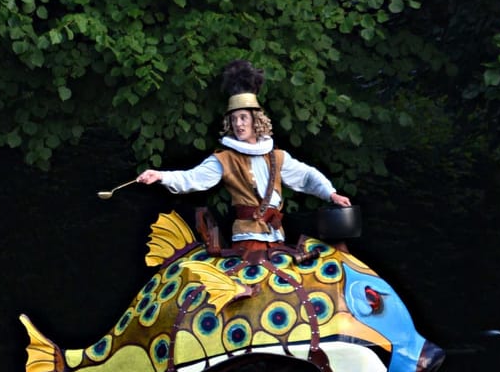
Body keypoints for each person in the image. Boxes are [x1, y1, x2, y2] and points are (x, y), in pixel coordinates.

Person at [135, 60, 352, 257]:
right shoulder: (225, 159)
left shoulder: (277, 156)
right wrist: (160, 175)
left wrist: (331, 194)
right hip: (247, 241)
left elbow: (307, 176)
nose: (239, 124)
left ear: (255, 120)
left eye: (243, 118)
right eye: (234, 119)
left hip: (277, 237)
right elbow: (192, 179)